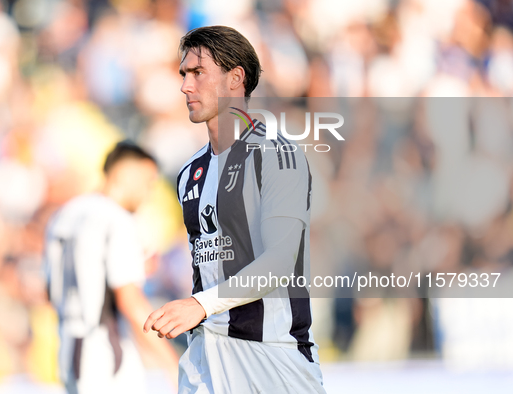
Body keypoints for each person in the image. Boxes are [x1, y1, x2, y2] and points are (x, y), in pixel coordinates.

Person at [144, 26, 327, 393]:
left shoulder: (276, 155)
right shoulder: (189, 172)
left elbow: (278, 262)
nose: (185, 86)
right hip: (206, 359)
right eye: (183, 74)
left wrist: (199, 305)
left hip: (272, 359)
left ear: (235, 79)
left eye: (198, 73)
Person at [45, 141, 179, 394]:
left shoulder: (64, 214)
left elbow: (52, 287)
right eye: (147, 182)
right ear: (125, 175)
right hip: (106, 353)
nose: (148, 193)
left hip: (68, 348)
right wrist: (172, 364)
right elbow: (130, 301)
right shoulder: (116, 219)